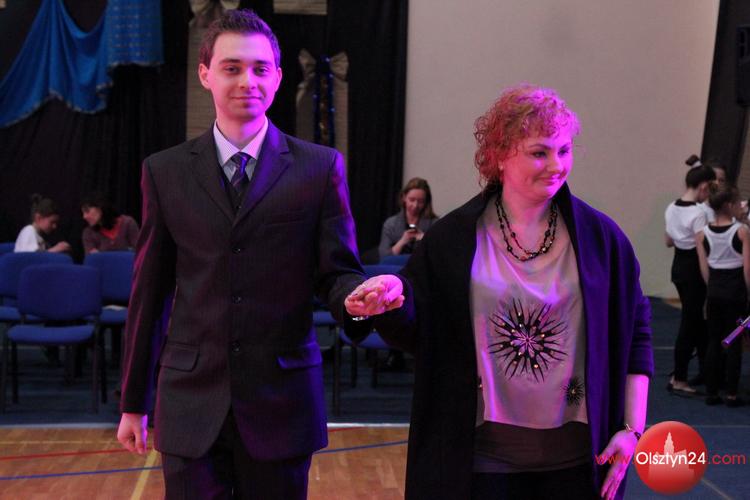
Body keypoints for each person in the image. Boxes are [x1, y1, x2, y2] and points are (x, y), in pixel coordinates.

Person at [115, 10, 379, 499]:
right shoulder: (165, 172)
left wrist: (356, 300)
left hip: (281, 401)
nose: (247, 81)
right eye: (232, 68)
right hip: (191, 401)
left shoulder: (319, 168)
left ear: (277, 77)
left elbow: (337, 273)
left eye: (260, 69)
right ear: (205, 74)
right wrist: (134, 401)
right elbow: (149, 292)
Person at [346, 85, 652, 500]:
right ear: (500, 155)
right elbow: (416, 330)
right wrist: (394, 295)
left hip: (577, 462)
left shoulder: (603, 240)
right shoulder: (452, 239)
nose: (556, 166)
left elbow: (636, 335)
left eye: (564, 151)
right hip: (481, 462)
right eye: (539, 152)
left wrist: (632, 429)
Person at [664, 164, 716, 393]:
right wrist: (710, 282)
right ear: (703, 186)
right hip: (694, 270)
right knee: (690, 324)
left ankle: (705, 370)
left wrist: (680, 235)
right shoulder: (698, 213)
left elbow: (668, 241)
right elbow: (702, 253)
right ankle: (680, 377)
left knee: (696, 321)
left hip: (678, 267)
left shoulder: (672, 207)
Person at [695, 183, 748, 407]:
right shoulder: (741, 231)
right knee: (734, 343)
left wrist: (711, 290)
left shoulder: (702, 234)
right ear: (728, 205)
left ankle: (712, 392)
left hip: (715, 289)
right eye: (737, 203)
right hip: (735, 292)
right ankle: (732, 394)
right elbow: (747, 269)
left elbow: (704, 268)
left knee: (714, 341)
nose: (740, 207)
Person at [378, 177, 438, 258]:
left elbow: (438, 255)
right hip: (397, 265)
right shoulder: (390, 224)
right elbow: (383, 257)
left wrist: (425, 239)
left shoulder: (434, 223)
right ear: (404, 197)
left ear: (426, 202)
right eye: (412, 200)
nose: (415, 205)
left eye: (420, 201)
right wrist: (402, 241)